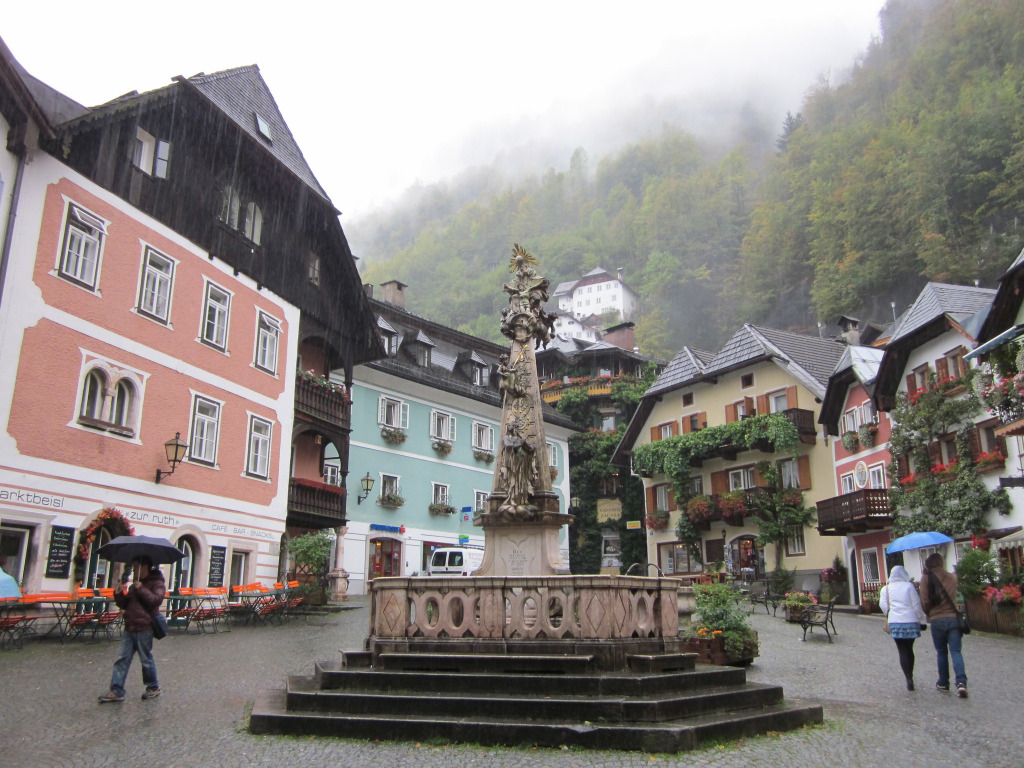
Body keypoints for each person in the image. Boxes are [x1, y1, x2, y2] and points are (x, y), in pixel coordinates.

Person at [98, 555, 166, 703]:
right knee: (122, 659)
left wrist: (142, 589)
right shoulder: (134, 585)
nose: (134, 569)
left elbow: (156, 601)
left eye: (136, 566)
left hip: (145, 627)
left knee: (146, 660)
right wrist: (118, 593)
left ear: (144, 567)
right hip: (130, 627)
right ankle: (117, 690)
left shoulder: (157, 583)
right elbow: (126, 604)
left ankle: (153, 687)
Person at [920, 552, 968, 698]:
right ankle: (961, 683)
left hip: (937, 619)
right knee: (956, 652)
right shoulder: (953, 578)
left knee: (941, 652)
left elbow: (924, 601)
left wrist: (929, 613)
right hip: (953, 618)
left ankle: (943, 682)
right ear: (941, 562)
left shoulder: (926, 579)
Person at [879, 565, 927, 691]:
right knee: (909, 649)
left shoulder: (886, 589)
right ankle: (911, 672)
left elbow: (883, 605)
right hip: (910, 621)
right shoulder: (909, 586)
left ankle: (908, 677)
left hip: (895, 622)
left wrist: (890, 614)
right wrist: (922, 620)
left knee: (902, 650)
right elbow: (916, 604)